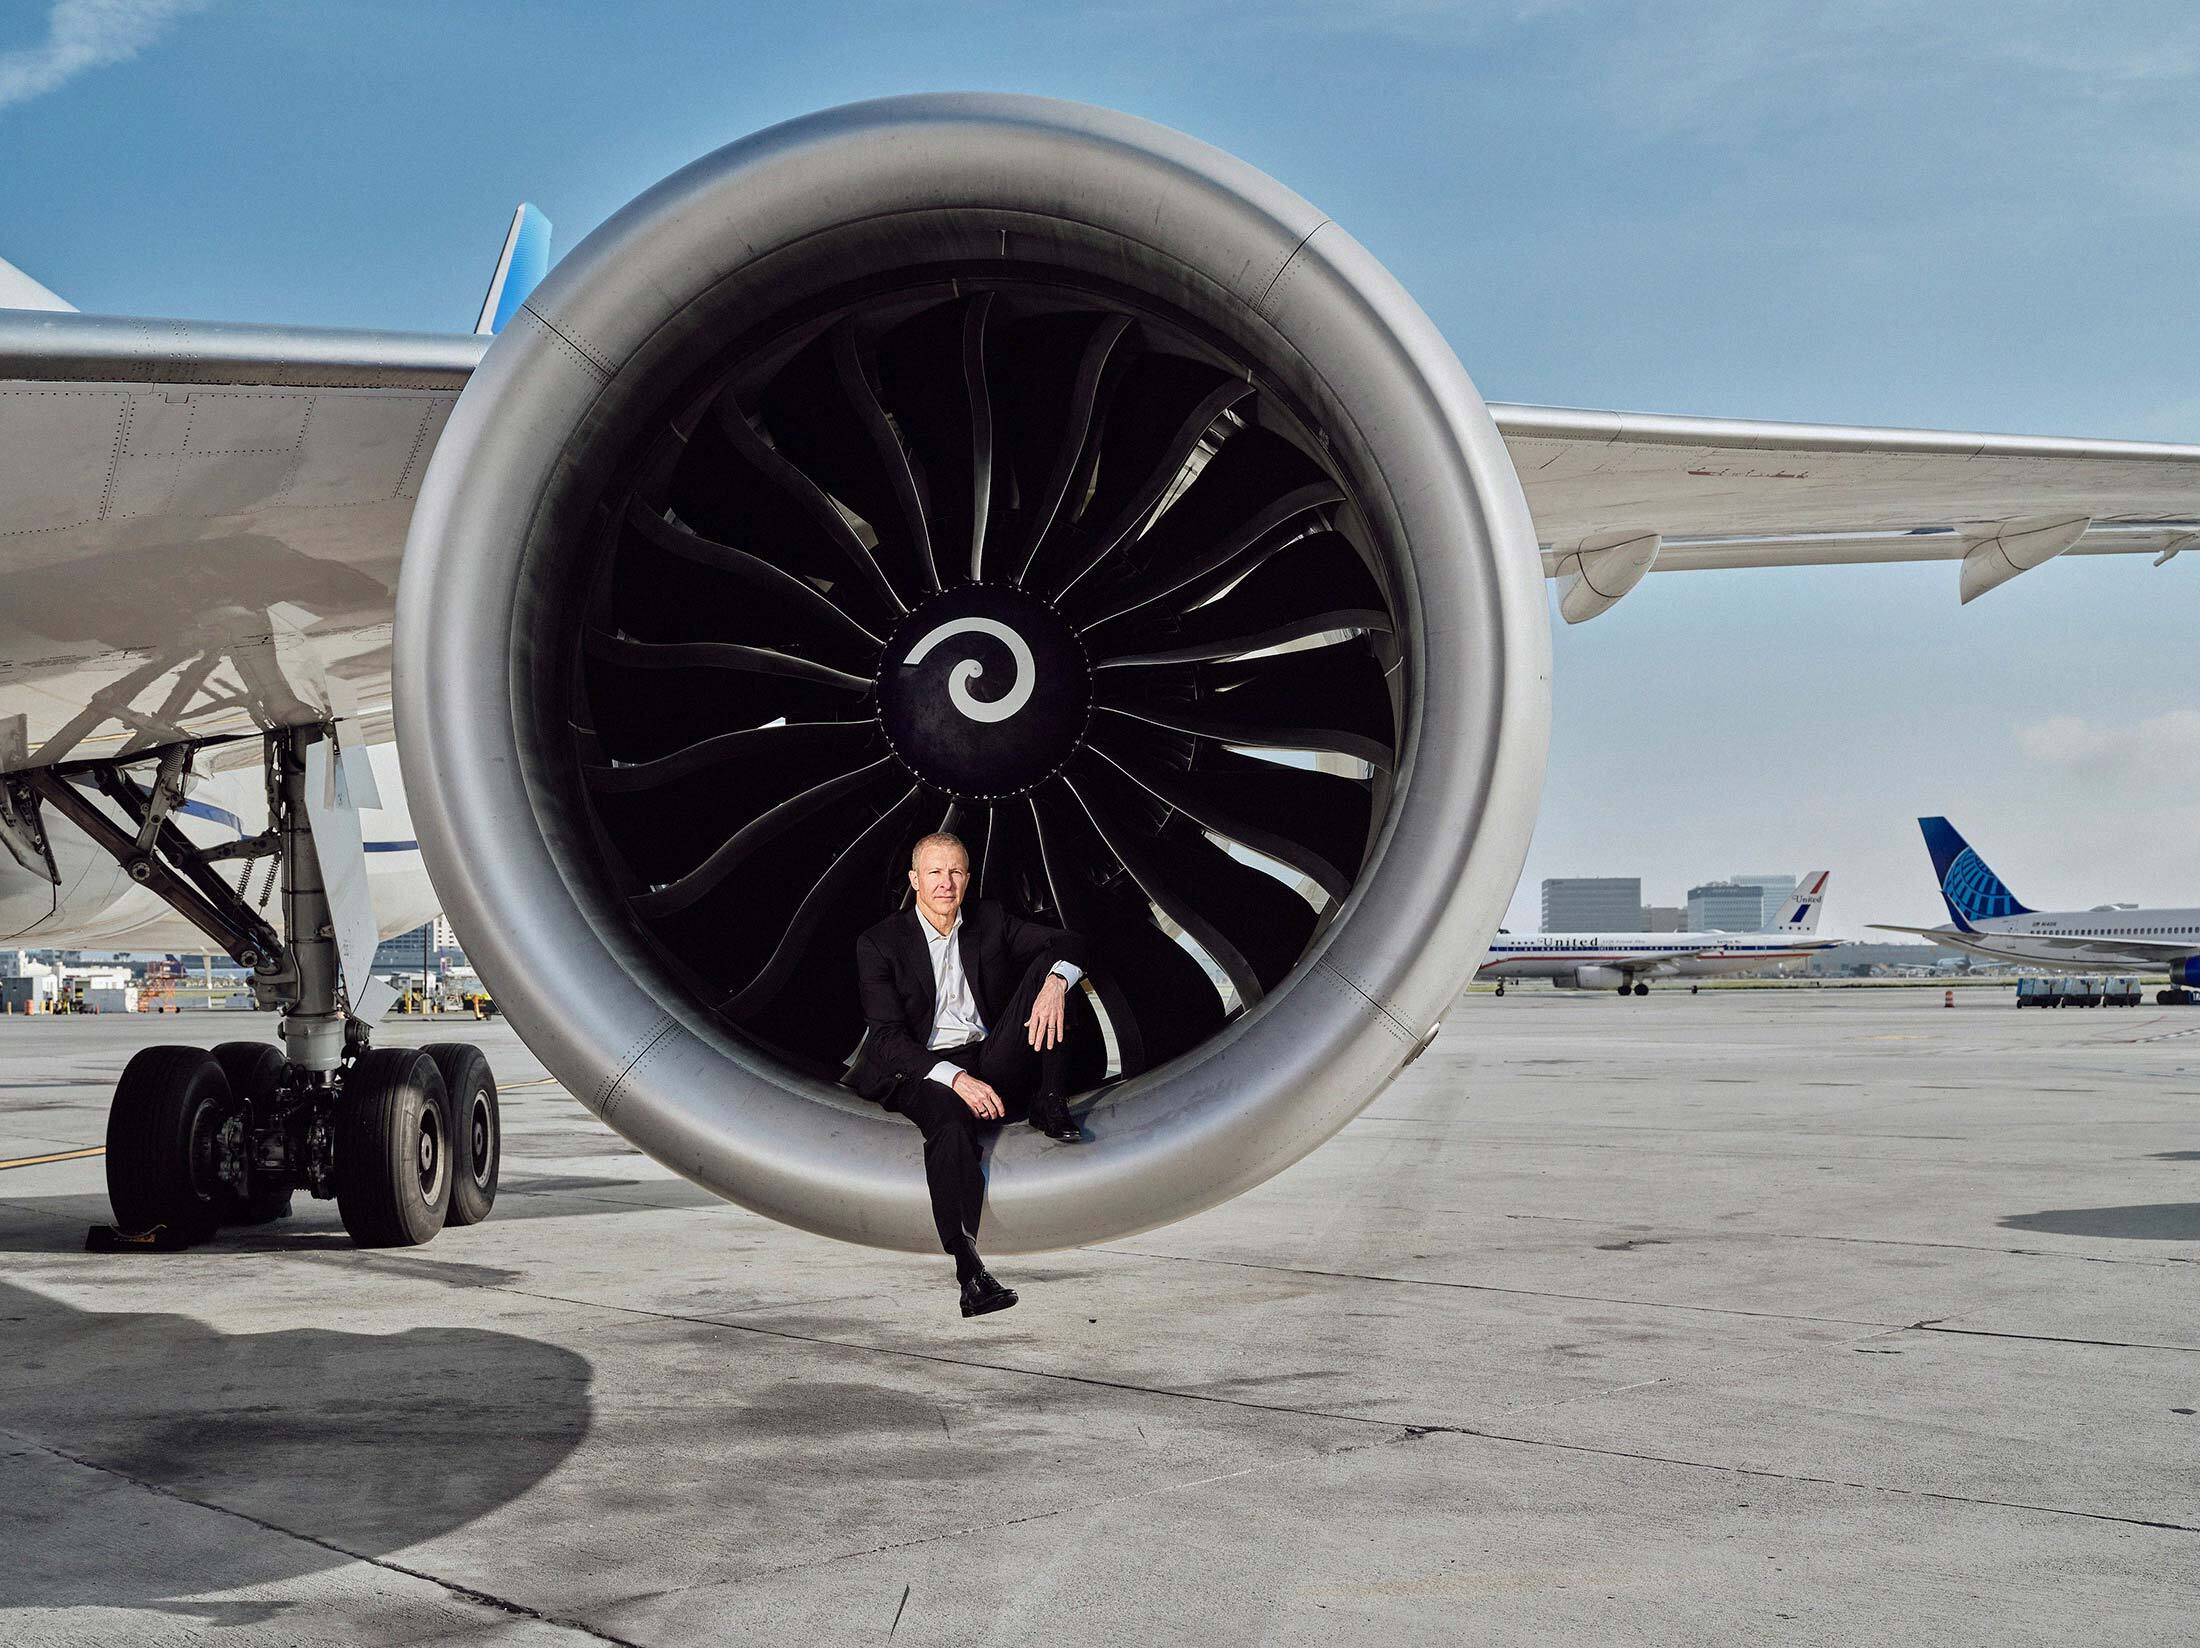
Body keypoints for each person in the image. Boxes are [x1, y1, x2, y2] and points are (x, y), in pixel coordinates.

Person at [846, 831, 1088, 1317]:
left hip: (987, 1053)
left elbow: (1070, 941)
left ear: (968, 876)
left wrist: (1057, 981)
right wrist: (956, 1080)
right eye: (934, 872)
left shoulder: (990, 919)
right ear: (914, 880)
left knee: (1055, 976)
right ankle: (969, 1267)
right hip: (919, 1067)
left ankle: (1048, 1098)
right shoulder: (879, 943)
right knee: (951, 1128)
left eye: (955, 871)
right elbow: (888, 1039)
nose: (946, 882)